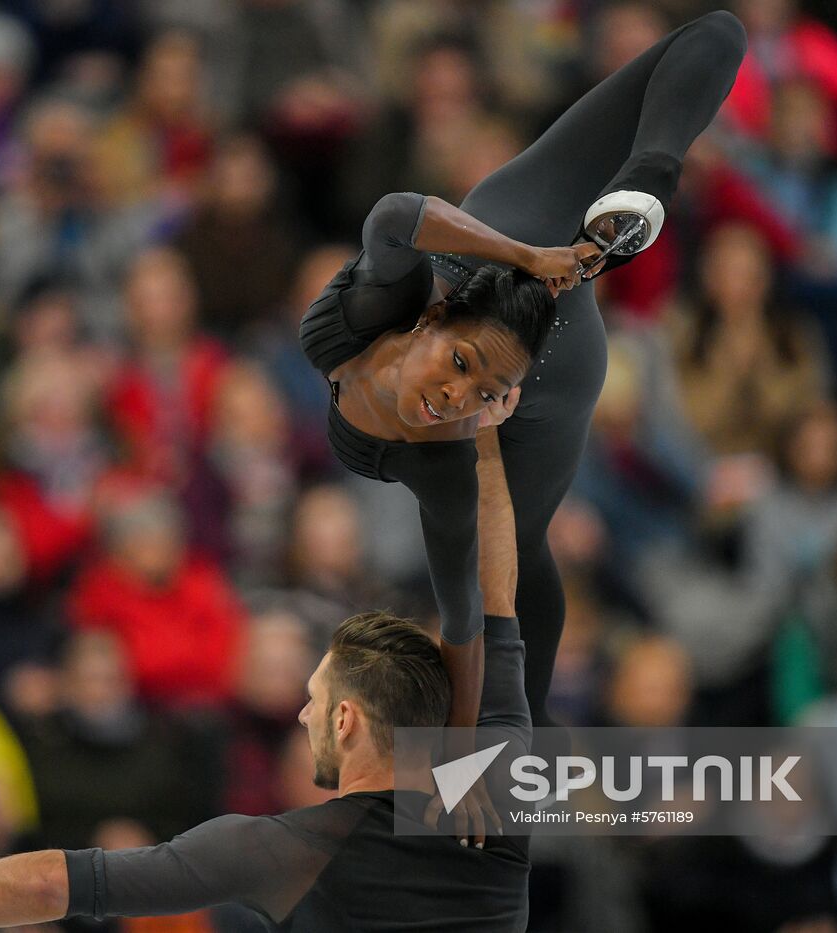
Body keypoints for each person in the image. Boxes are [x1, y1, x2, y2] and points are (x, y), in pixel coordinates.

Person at [0, 423, 533, 932]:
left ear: (346, 722)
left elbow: (47, 886)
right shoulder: (493, 789)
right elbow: (497, 597)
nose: (299, 713)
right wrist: (491, 441)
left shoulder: (287, 847)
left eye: (313, 698)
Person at [298, 12, 746, 728]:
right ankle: (525, 750)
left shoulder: (385, 348)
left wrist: (537, 258)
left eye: (473, 383)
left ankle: (649, 179)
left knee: (718, 30)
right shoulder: (431, 437)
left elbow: (395, 214)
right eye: (464, 376)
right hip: (533, 307)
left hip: (530, 298)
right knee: (521, 551)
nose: (454, 397)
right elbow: (468, 624)